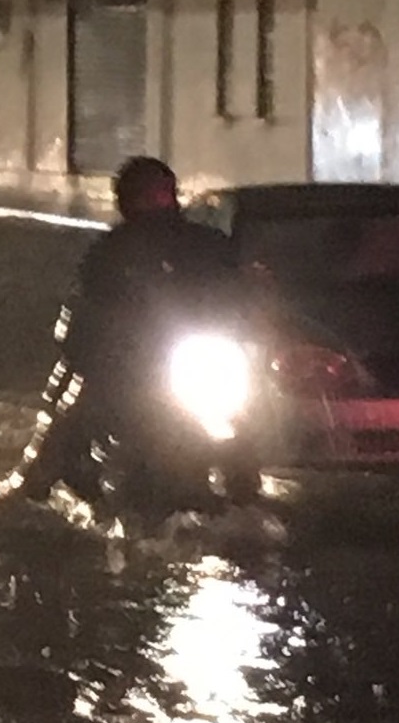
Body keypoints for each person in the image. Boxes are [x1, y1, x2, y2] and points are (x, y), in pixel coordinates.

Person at [20, 156, 251, 502]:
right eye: (147, 196)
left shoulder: (208, 244)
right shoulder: (108, 253)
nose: (157, 203)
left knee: (245, 423)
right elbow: (81, 316)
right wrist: (90, 351)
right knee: (71, 422)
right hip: (127, 370)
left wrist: (252, 309)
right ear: (127, 201)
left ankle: (245, 494)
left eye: (162, 194)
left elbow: (242, 291)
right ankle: (33, 489)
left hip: (195, 362)